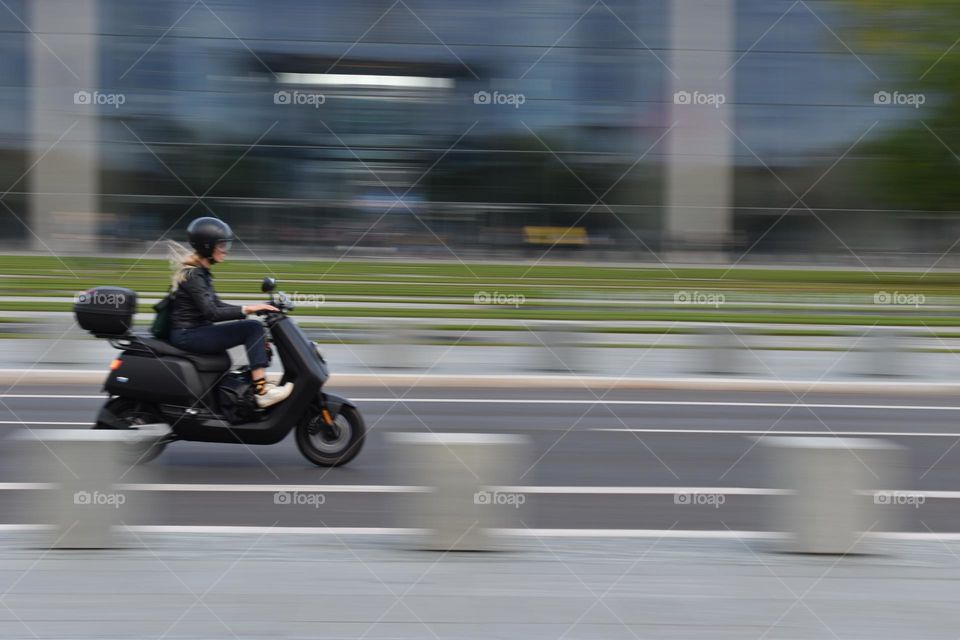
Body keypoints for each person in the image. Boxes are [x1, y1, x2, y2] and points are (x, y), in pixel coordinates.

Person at [168, 217, 293, 408]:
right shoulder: (193, 275)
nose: (225, 249)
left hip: (193, 331)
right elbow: (212, 313)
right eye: (221, 244)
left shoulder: (200, 273)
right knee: (252, 329)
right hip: (188, 335)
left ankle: (254, 385)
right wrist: (248, 310)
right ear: (207, 246)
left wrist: (256, 306)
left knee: (251, 327)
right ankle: (262, 391)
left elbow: (216, 304)